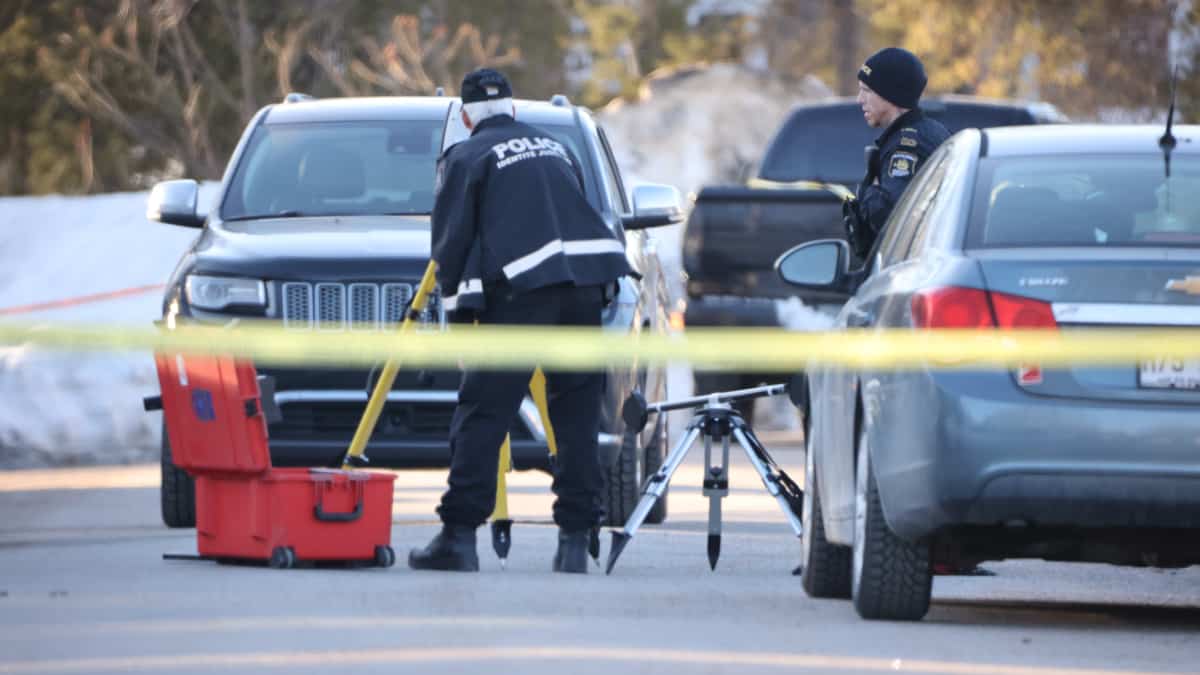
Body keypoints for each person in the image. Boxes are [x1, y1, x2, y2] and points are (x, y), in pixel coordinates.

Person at [408, 68, 633, 574]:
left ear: (466, 117)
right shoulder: (557, 147)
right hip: (583, 288)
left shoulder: (465, 156)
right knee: (575, 416)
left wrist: (460, 326)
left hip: (521, 295)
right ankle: (575, 540)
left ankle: (459, 537)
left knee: (484, 414)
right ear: (512, 109)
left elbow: (451, 246)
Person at [842, 47, 950, 259]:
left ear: (890, 94)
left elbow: (893, 219)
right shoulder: (928, 131)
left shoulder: (907, 146)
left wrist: (870, 191)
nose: (859, 99)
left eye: (867, 90)